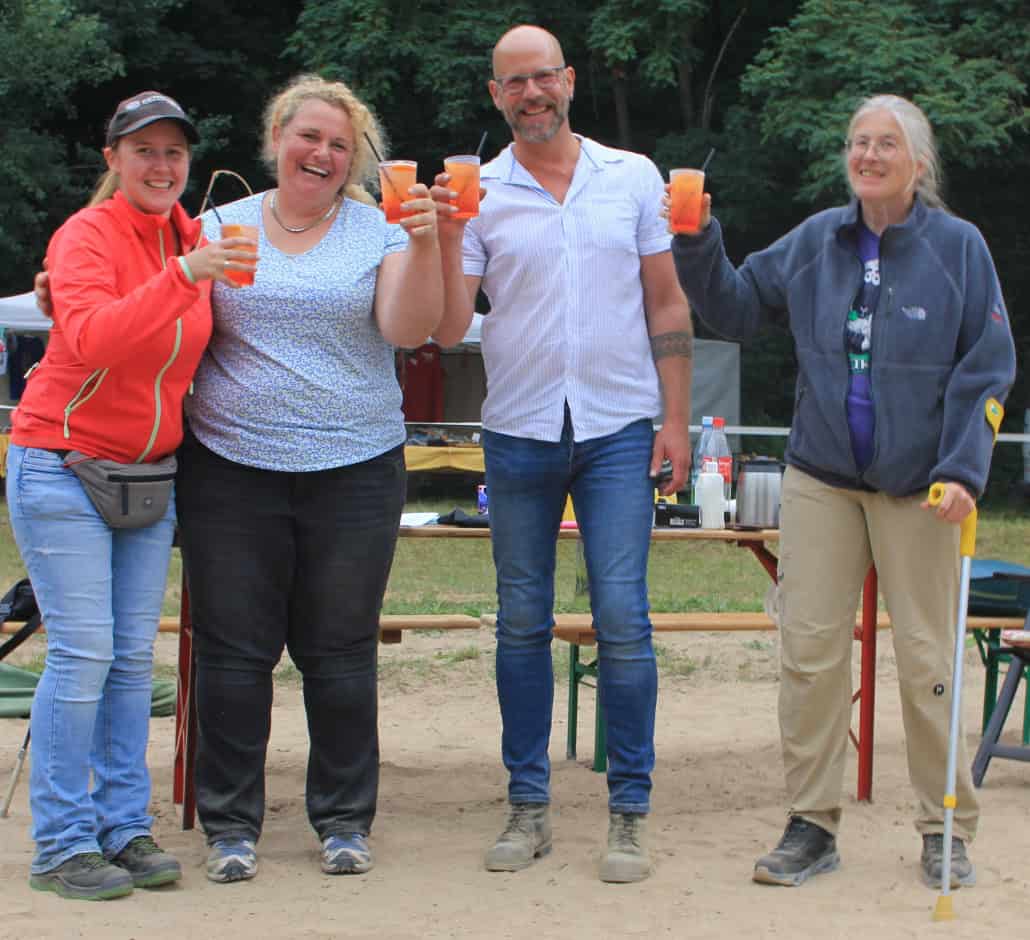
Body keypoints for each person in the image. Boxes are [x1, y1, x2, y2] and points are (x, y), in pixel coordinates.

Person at [669, 94, 1016, 888]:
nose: (867, 155)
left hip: (922, 486)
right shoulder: (816, 240)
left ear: (917, 164)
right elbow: (736, 307)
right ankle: (811, 825)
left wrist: (964, 468)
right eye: (858, 142)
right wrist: (695, 240)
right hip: (821, 475)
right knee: (809, 651)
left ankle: (944, 827)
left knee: (928, 657)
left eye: (885, 144)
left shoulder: (959, 248)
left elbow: (988, 366)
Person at [431, 25, 695, 884]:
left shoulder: (634, 176)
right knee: (520, 623)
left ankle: (629, 815)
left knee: (623, 619)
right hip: (517, 429)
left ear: (570, 81)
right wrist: (436, 233)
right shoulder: (479, 191)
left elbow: (666, 301)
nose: (532, 93)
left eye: (544, 77)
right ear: (495, 95)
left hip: (620, 426)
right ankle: (528, 807)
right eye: (515, 83)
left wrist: (678, 420)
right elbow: (443, 326)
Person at [173, 74, 446, 883]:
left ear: (353, 159)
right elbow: (171, 314)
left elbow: (409, 327)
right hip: (230, 466)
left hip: (354, 467)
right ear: (276, 141)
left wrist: (428, 242)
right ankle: (229, 827)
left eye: (339, 144)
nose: (321, 153)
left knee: (339, 650)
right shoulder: (218, 222)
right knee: (231, 651)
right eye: (308, 137)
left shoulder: (381, 231)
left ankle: (343, 821)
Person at [8, 91, 254, 901]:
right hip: (63, 461)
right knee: (82, 656)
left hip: (149, 475)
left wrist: (190, 264)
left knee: (124, 664)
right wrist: (181, 276)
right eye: (142, 150)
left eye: (174, 151)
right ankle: (61, 843)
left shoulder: (193, 233)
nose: (161, 165)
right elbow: (88, 338)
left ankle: (121, 827)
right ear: (111, 159)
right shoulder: (88, 235)